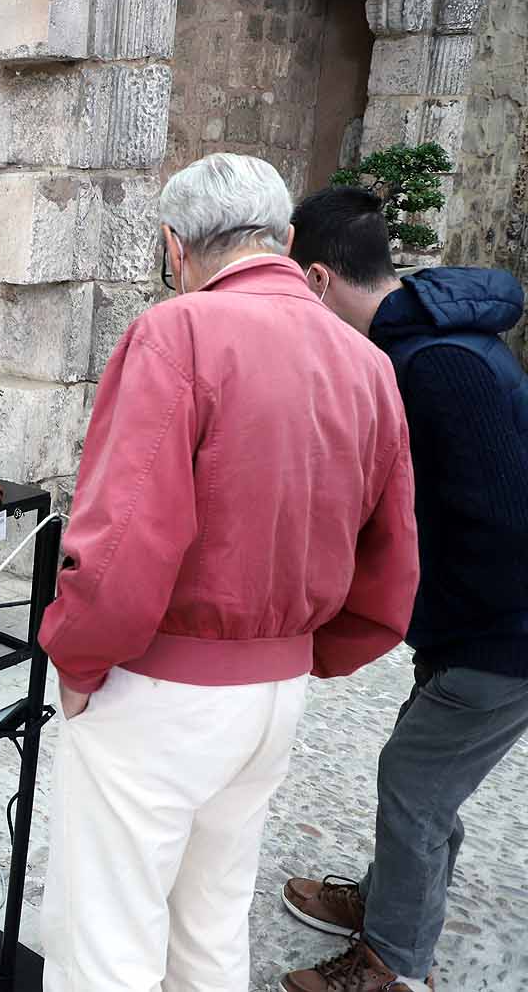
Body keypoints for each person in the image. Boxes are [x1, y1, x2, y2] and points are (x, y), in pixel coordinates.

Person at [36, 153, 420, 992]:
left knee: (106, 935)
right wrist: (302, 652)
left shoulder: (176, 333)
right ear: (284, 240)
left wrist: (76, 655)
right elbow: (392, 561)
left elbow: (123, 534)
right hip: (275, 695)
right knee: (211, 921)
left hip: (161, 688)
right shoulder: (368, 364)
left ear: (175, 247)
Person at [277, 186, 528, 992]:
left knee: (414, 785)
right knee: (426, 776)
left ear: (317, 280)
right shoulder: (422, 340)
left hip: (502, 630)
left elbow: (499, 517)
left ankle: (392, 964)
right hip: (469, 623)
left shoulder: (439, 364)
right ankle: (390, 905)